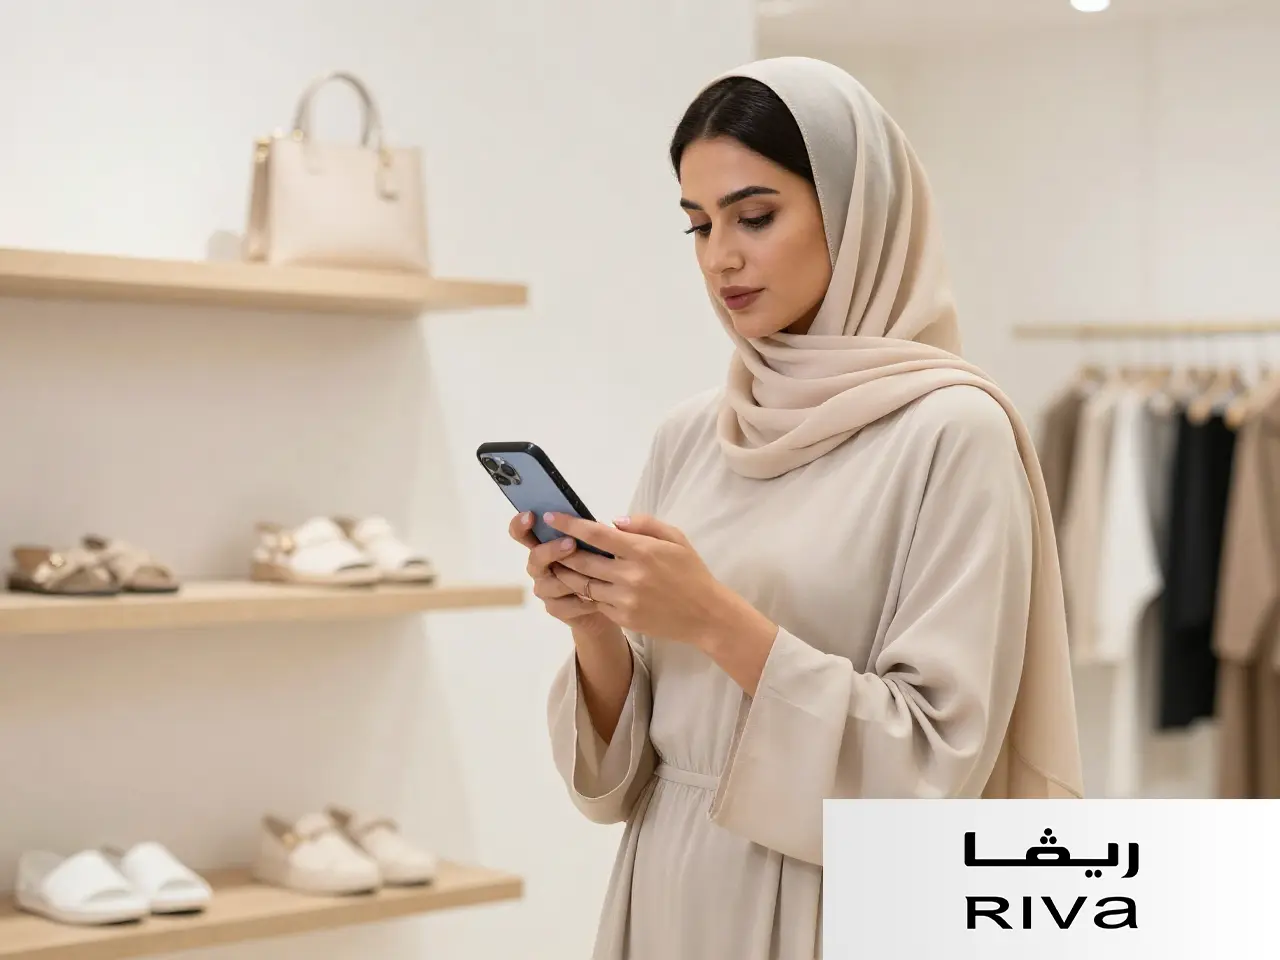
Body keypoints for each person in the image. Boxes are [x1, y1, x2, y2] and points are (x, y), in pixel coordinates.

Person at [508, 56, 1084, 960]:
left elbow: (936, 762)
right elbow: (618, 784)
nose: (720, 256)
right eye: (698, 226)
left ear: (855, 214)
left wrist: (710, 619)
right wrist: (595, 627)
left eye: (756, 215)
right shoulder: (693, 434)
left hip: (837, 903)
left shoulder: (953, 434)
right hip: (668, 884)